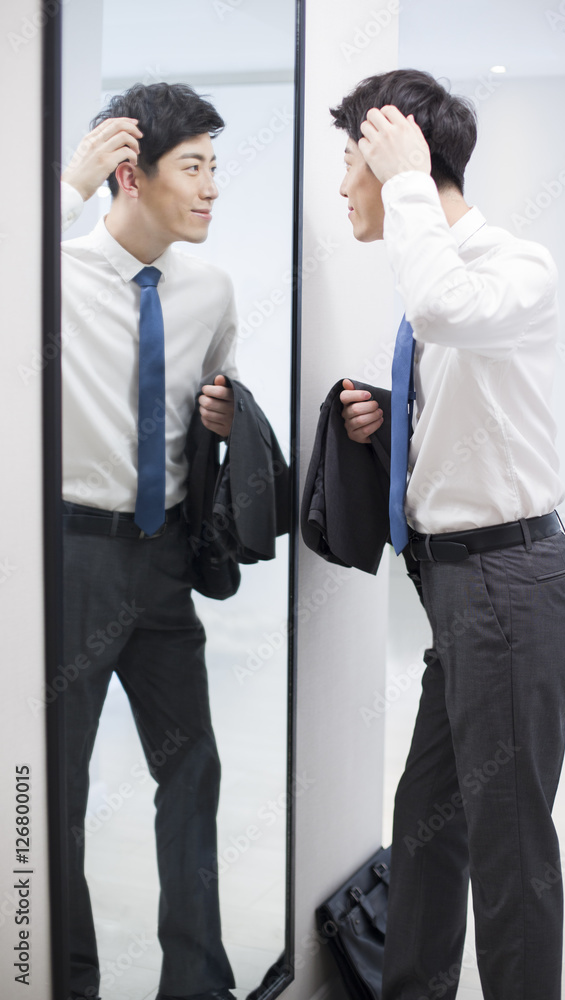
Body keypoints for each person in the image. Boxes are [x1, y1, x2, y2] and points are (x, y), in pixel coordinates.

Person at [331, 69, 565, 1000]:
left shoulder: (512, 264)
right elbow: (471, 400)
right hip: (459, 594)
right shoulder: (427, 280)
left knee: (509, 851)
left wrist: (404, 181)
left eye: (350, 159)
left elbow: (448, 310)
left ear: (401, 157)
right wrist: (392, 414)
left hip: (512, 588)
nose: (343, 183)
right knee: (428, 827)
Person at [60, 82, 239, 1000]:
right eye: (195, 167)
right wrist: (68, 186)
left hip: (162, 558)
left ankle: (197, 983)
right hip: (72, 561)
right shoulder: (46, 273)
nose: (212, 189)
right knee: (54, 793)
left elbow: (217, 409)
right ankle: (65, 979)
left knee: (192, 769)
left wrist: (220, 416)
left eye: (217, 167)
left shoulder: (209, 288)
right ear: (131, 174)